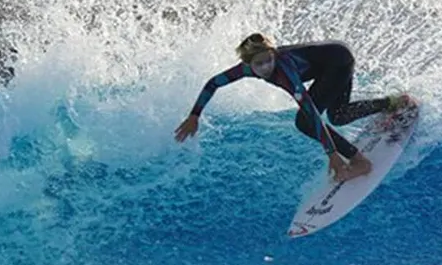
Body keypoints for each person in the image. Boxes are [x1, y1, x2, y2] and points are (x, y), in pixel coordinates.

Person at [174, 33, 412, 182]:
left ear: (274, 54)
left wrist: (333, 155)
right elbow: (213, 83)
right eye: (259, 64)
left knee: (304, 122)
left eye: (270, 59)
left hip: (338, 60)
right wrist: (195, 115)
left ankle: (360, 162)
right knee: (339, 115)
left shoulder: (285, 71)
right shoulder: (245, 69)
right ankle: (394, 103)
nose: (266, 66)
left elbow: (310, 114)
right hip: (331, 59)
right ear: (247, 65)